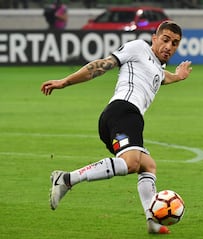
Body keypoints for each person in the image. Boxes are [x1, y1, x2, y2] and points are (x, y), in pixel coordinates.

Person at [40, 21, 192, 234]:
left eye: (175, 43)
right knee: (131, 163)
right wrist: (64, 82)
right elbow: (102, 65)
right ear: (154, 39)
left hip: (128, 118)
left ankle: (153, 222)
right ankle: (66, 179)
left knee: (148, 166)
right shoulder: (138, 48)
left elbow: (160, 77)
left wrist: (178, 76)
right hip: (122, 112)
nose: (169, 46)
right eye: (165, 40)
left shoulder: (157, 66)